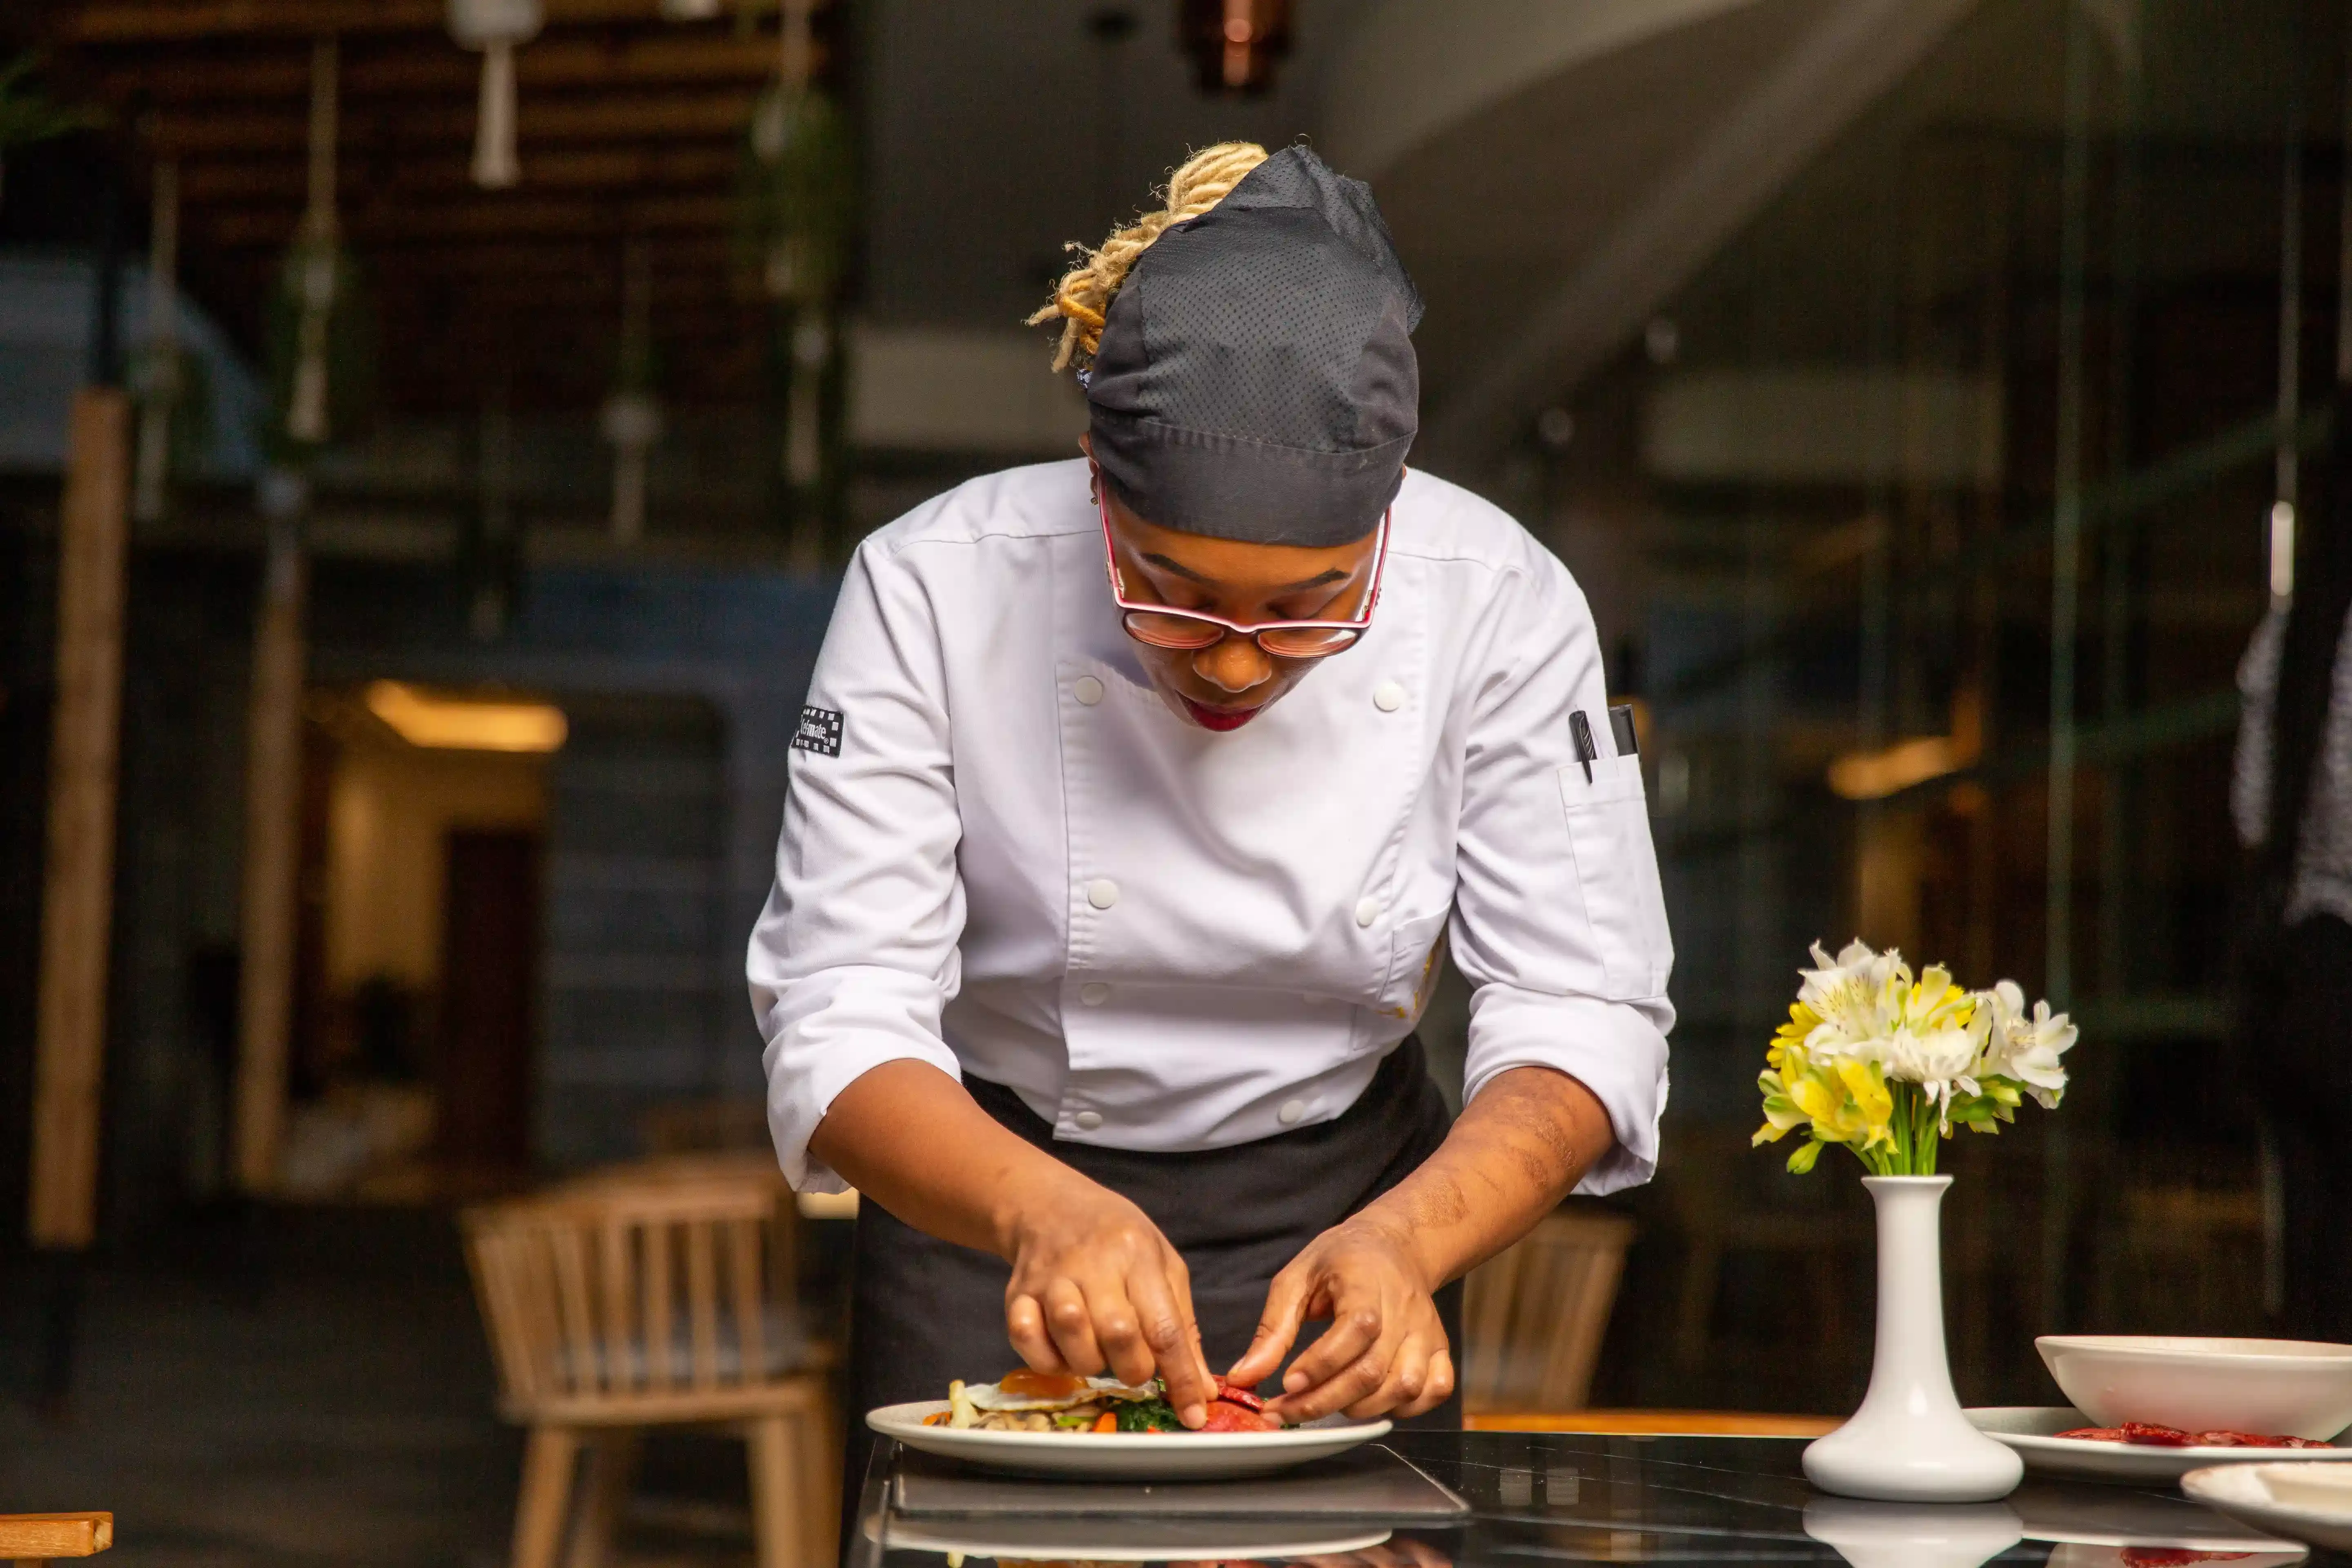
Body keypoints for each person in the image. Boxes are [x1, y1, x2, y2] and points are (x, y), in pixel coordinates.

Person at [746, 142, 1673, 1519]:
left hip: (1352, 1222)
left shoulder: (1502, 602)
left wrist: (1410, 1242)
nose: (1237, 664)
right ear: (1095, 485)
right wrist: (1037, 1210)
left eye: (1308, 609)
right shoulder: (931, 589)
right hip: (986, 1214)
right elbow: (839, 1009)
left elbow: (1583, 1008)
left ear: (1387, 523)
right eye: (1173, 596)